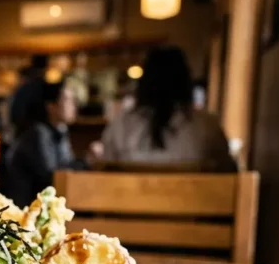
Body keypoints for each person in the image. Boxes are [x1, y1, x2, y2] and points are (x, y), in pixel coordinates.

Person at [99, 46, 237, 172]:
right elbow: (228, 173)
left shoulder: (122, 124)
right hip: (192, 199)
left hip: (131, 199)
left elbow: (106, 172)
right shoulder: (207, 125)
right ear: (185, 82)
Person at [6, 80, 80, 206]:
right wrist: (86, 162)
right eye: (67, 99)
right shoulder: (38, 134)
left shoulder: (60, 130)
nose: (74, 105)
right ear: (51, 106)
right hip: (26, 212)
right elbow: (51, 178)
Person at [9, 54, 49, 134]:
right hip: (30, 132)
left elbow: (14, 116)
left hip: (28, 131)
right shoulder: (30, 89)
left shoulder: (25, 89)